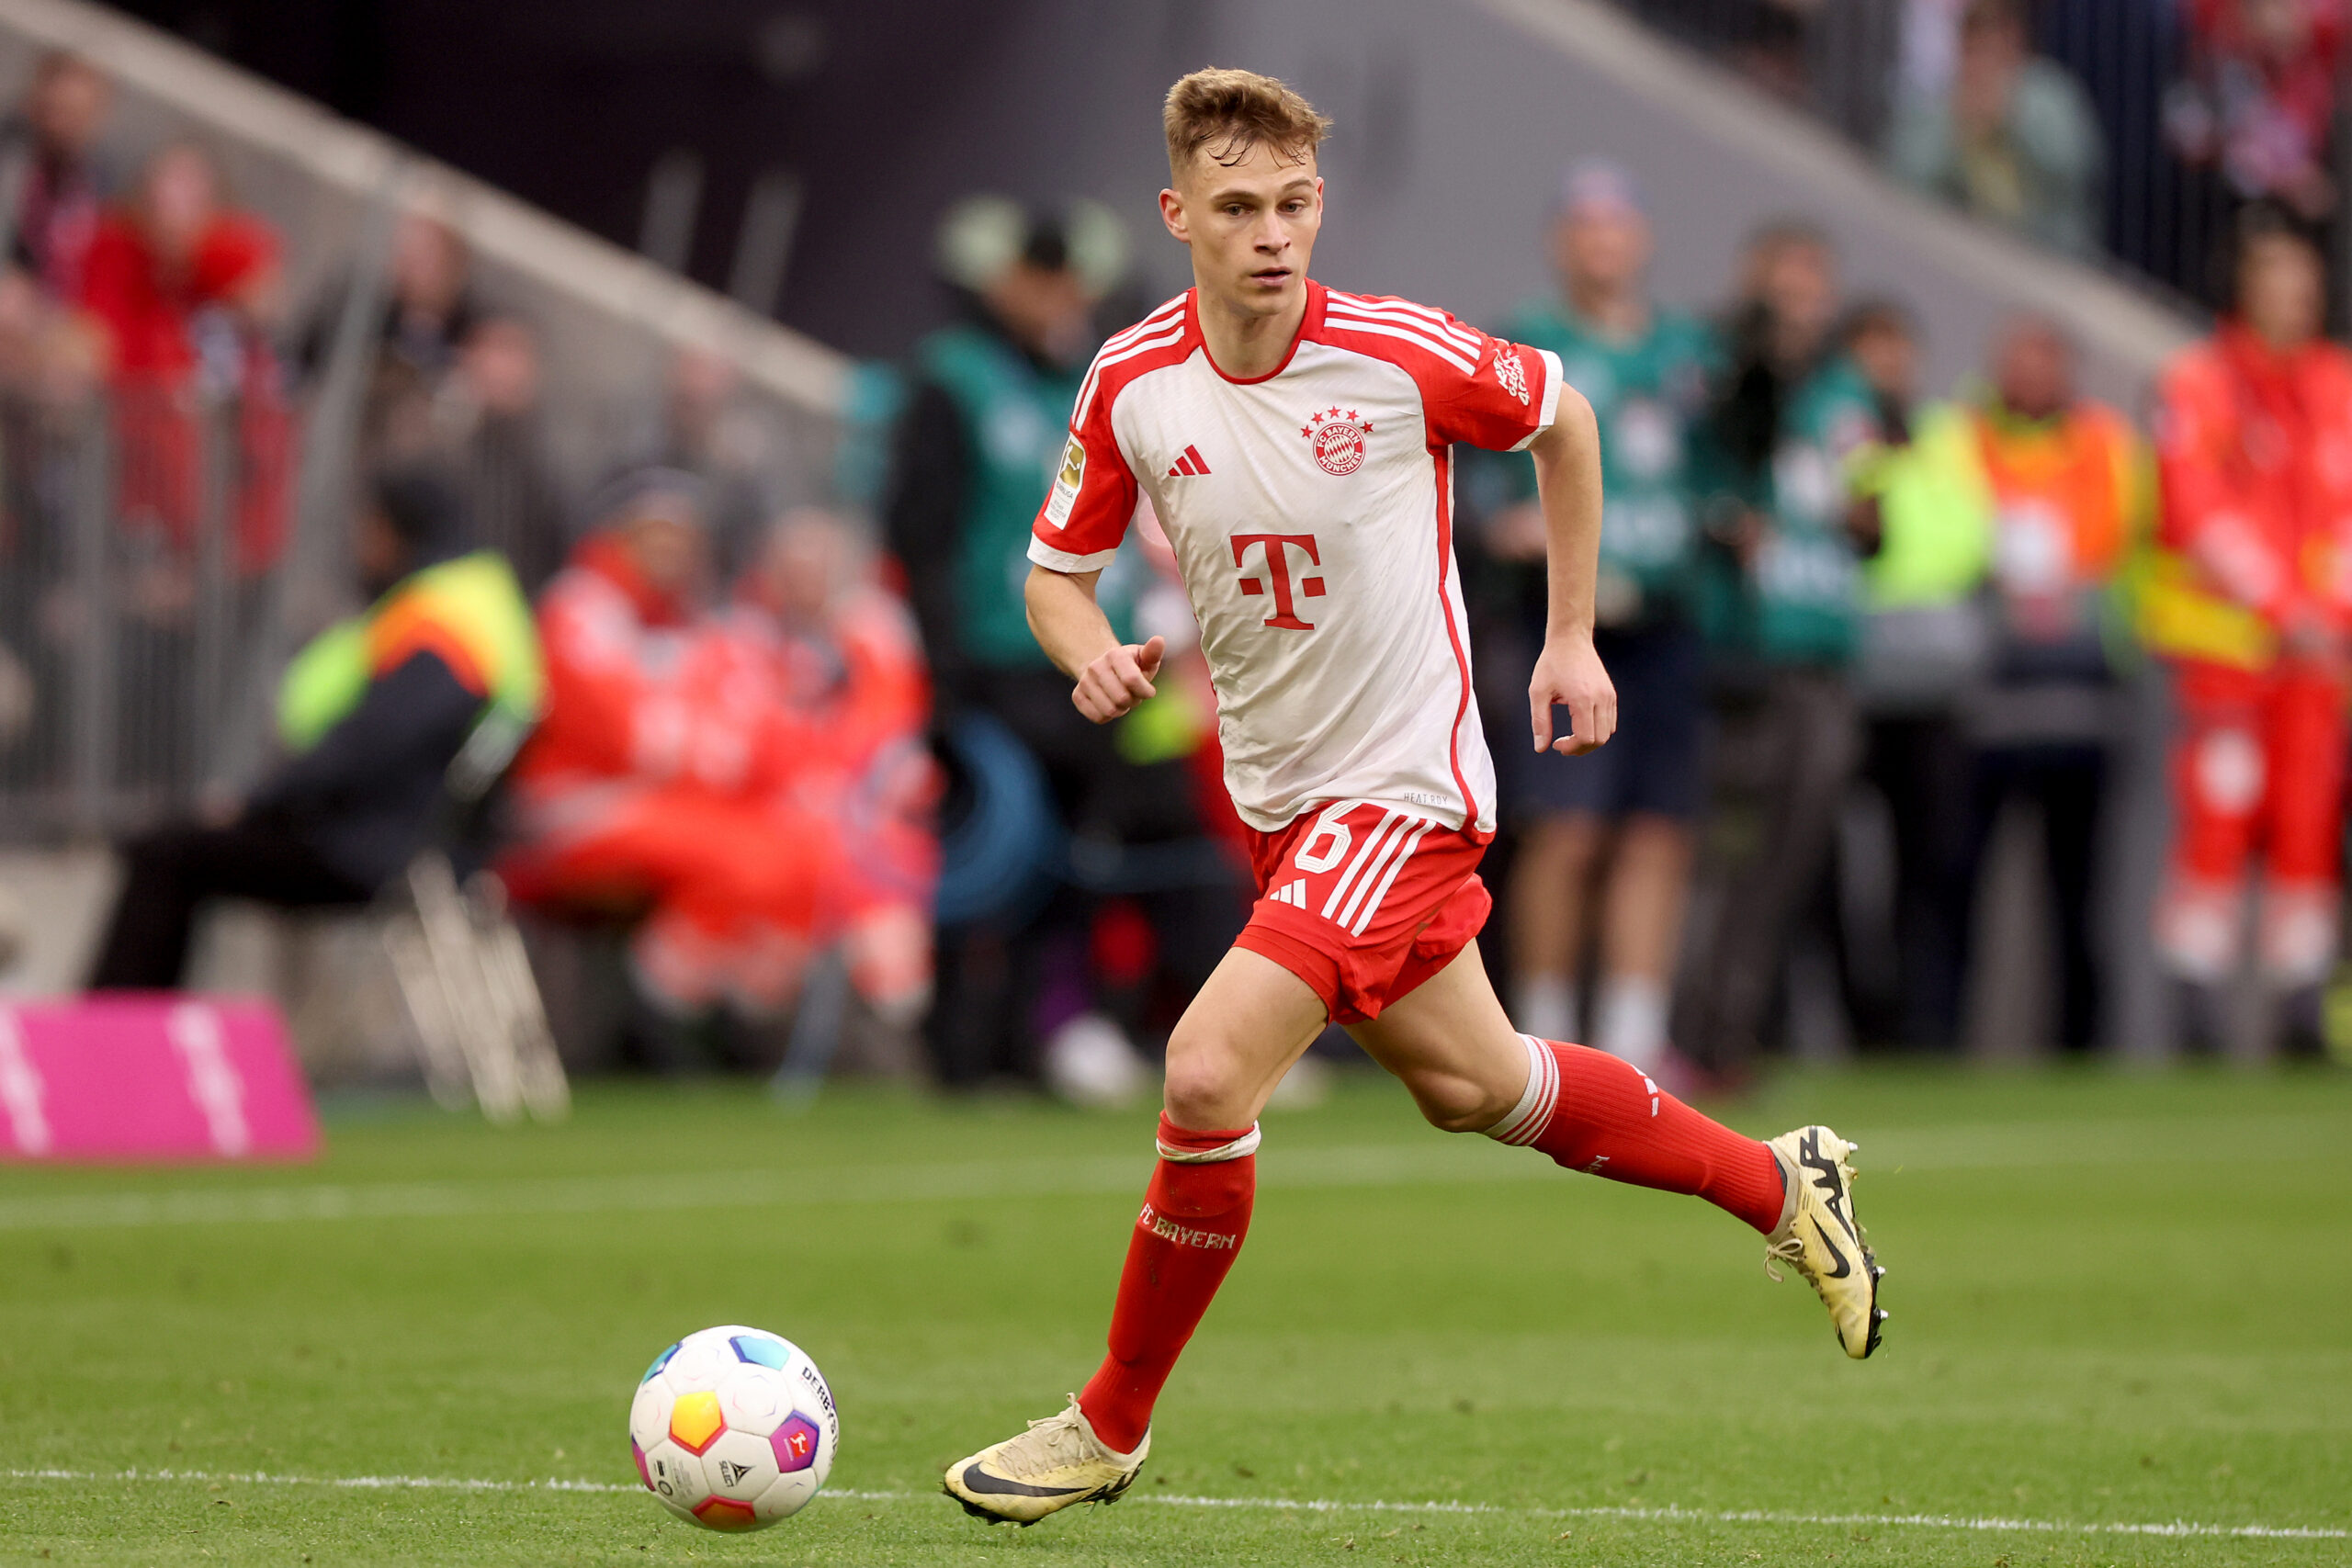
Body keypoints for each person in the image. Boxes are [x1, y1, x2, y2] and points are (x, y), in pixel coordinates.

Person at [942, 68, 1884, 1528]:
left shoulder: (1393, 351)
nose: (1272, 234)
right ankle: (1781, 1184)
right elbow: (1055, 573)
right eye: (1240, 207)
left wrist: (1568, 634)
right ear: (1176, 213)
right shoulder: (1130, 379)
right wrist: (1089, 658)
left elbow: (1564, 423)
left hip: (1399, 790)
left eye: (1296, 204)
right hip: (1279, 806)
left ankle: (1106, 1420)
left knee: (1201, 1072)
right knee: (1483, 1086)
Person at [885, 194, 1219, 1099]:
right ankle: (959, 1050)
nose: (1057, 297)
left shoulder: (1089, 378)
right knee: (989, 858)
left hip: (1084, 657)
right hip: (991, 663)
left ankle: (1052, 1033)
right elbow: (920, 537)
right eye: (1039, 278)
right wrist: (942, 676)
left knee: (1079, 857)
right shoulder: (951, 382)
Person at [86, 467, 540, 987]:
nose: (360, 544)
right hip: (398, 840)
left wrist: (260, 803)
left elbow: (372, 745)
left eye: (368, 528)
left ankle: (109, 1039)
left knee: (165, 853)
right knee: (173, 849)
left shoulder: (443, 618)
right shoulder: (477, 602)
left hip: (368, 847)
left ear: (398, 531)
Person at [1479, 161, 1715, 1082]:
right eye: (1586, 224)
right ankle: (1537, 1038)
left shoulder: (1688, 354)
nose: (1602, 242)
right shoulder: (1531, 343)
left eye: (1618, 223)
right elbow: (1492, 479)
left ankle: (1630, 1033)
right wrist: (1514, 533)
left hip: (1663, 615)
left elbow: (1719, 472)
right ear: (1559, 241)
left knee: (1659, 827)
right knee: (1564, 829)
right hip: (1565, 618)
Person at [497, 468, 834, 1057]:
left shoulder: (693, 620)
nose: (673, 551)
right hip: (578, 808)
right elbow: (628, 737)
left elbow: (751, 733)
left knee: (799, 852)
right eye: (659, 535)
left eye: (683, 538)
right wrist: (709, 748)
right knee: (738, 859)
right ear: (623, 535)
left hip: (667, 803)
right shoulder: (581, 608)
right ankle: (659, 1023)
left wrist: (714, 748)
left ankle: (732, 1014)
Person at [2143, 207, 2352, 1040]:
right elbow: (2195, 506)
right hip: (2223, 648)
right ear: (2242, 285)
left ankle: (2301, 1001)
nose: (2294, 296)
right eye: (2276, 279)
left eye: (2305, 281)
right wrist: (2282, 607)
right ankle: (2195, 1000)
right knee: (2219, 812)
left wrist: (2325, 613)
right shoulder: (2197, 380)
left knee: (2309, 815)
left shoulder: (2337, 381)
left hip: (2317, 656)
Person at [1679, 221, 1880, 1076]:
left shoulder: (1845, 391)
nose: (1802, 303)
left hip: (1825, 646)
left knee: (1791, 855)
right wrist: (1729, 526)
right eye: (1786, 285)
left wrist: (1869, 515)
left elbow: (1872, 520)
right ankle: (1685, 1027)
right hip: (1743, 652)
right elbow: (1688, 487)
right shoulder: (1718, 374)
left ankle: (1734, 1029)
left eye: (1814, 286)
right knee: (1720, 851)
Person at [1957, 313, 2149, 1051]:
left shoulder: (2106, 442)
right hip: (1984, 699)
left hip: (2085, 699)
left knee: (2079, 888)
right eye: (2019, 358)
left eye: (2045, 359)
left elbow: (2120, 538)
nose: (2031, 373)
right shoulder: (1963, 435)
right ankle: (1944, 1042)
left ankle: (2083, 1043)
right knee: (1961, 881)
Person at [1843, 299, 1989, 1048]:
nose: (1887, 365)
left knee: (1931, 859)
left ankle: (1925, 1022)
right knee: (1826, 863)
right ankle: (1854, 1018)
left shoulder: (1946, 431)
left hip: (1934, 678)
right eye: (1872, 349)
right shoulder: (1836, 428)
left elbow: (1968, 534)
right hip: (1850, 668)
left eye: (1897, 348)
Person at [1883, 0, 2105, 255]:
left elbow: (2076, 170)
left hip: (2050, 257)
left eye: (1992, 47)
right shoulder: (1938, 105)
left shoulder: (2051, 96)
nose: (1983, 61)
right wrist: (1958, 129)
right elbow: (1904, 181)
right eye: (1974, 48)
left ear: (2014, 42)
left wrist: (2012, 118)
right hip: (1959, 255)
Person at [1, 51, 115, 303]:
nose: (63, 126)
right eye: (57, 110)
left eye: (76, 114)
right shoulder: (9, 152)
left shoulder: (95, 182)